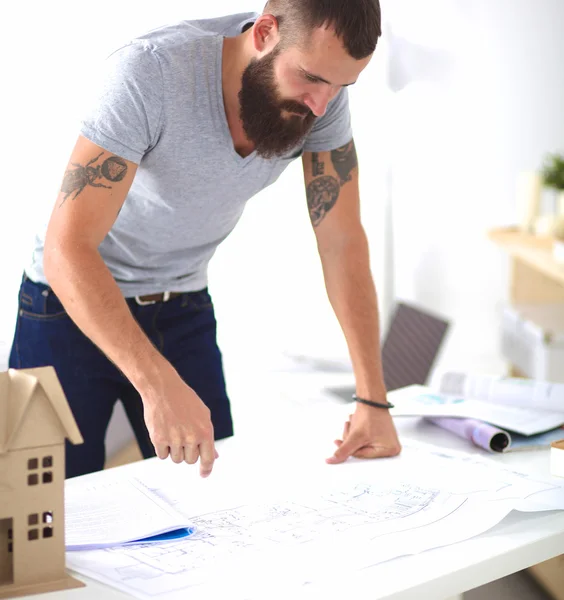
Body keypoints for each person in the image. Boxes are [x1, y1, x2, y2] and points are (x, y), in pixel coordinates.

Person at [9, 0, 401, 479]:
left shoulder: (324, 97)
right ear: (264, 33)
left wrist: (371, 399)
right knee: (46, 510)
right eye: (312, 78)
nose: (321, 105)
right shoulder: (149, 73)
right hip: (68, 304)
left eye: (341, 86)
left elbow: (341, 240)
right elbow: (65, 248)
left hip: (181, 304)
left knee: (213, 505)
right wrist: (155, 385)